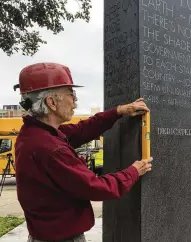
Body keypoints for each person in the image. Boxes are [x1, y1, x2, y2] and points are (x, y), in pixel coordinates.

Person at [13, 62, 153, 242]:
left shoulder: (35, 134)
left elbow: (81, 130)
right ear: (52, 102)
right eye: (71, 95)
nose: (75, 102)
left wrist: (119, 111)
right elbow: (95, 187)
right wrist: (133, 171)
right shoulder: (50, 148)